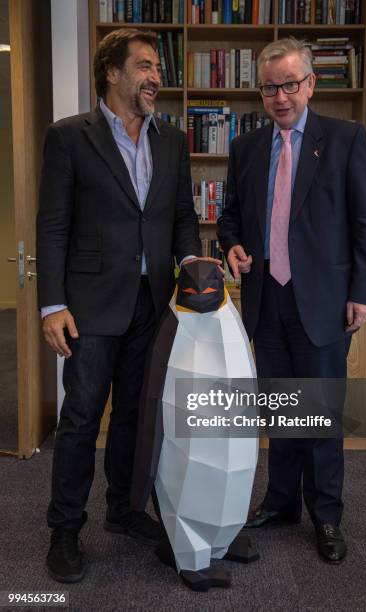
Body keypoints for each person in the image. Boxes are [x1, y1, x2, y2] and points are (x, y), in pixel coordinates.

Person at [37, 28, 208, 583]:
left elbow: (182, 217)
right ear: (111, 73)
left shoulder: (171, 140)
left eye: (157, 66)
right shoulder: (69, 137)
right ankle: (64, 529)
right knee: (82, 419)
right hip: (88, 306)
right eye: (144, 65)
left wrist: (190, 271)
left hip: (153, 302)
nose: (155, 75)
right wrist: (51, 306)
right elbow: (54, 226)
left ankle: (123, 508)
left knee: (137, 414)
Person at [217, 37, 366, 564]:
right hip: (268, 302)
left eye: (290, 84)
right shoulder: (245, 147)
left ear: (311, 83)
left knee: (322, 417)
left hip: (325, 303)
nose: (280, 96)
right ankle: (282, 503)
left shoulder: (345, 138)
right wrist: (232, 244)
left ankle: (327, 515)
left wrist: (362, 292)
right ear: (259, 91)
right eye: (270, 87)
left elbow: (363, 224)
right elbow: (231, 218)